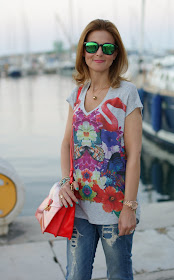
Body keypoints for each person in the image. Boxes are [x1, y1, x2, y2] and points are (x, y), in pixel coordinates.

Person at [59, 19, 143, 280]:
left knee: (119, 275)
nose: (99, 53)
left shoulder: (126, 93)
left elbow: (134, 155)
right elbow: (66, 144)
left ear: (115, 53)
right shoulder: (76, 93)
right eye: (93, 46)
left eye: (107, 48)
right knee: (75, 275)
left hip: (114, 210)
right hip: (79, 207)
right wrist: (64, 182)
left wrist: (129, 207)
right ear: (83, 52)